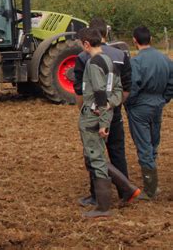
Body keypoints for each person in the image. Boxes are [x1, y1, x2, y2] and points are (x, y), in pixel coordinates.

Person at [74, 18, 140, 207]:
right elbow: (125, 86)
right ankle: (124, 193)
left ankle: (98, 196)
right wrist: (114, 105)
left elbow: (81, 89)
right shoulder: (119, 55)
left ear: (89, 39)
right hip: (114, 112)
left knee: (94, 155)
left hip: (95, 114)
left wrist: (87, 111)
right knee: (117, 152)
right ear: (105, 33)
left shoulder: (85, 58)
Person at [77, 28, 123, 218]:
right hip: (106, 115)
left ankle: (103, 207)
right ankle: (126, 189)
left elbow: (100, 94)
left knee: (96, 158)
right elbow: (117, 91)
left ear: (86, 44)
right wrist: (109, 112)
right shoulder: (110, 61)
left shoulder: (93, 64)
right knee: (98, 157)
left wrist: (103, 122)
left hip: (93, 118)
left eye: (81, 44)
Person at [125, 26, 173, 200]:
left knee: (144, 146)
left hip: (140, 108)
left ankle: (150, 190)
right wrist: (163, 99)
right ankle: (153, 183)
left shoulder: (136, 62)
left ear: (134, 41)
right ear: (151, 39)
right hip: (157, 105)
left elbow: (133, 87)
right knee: (153, 143)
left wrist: (130, 103)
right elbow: (171, 84)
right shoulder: (165, 59)